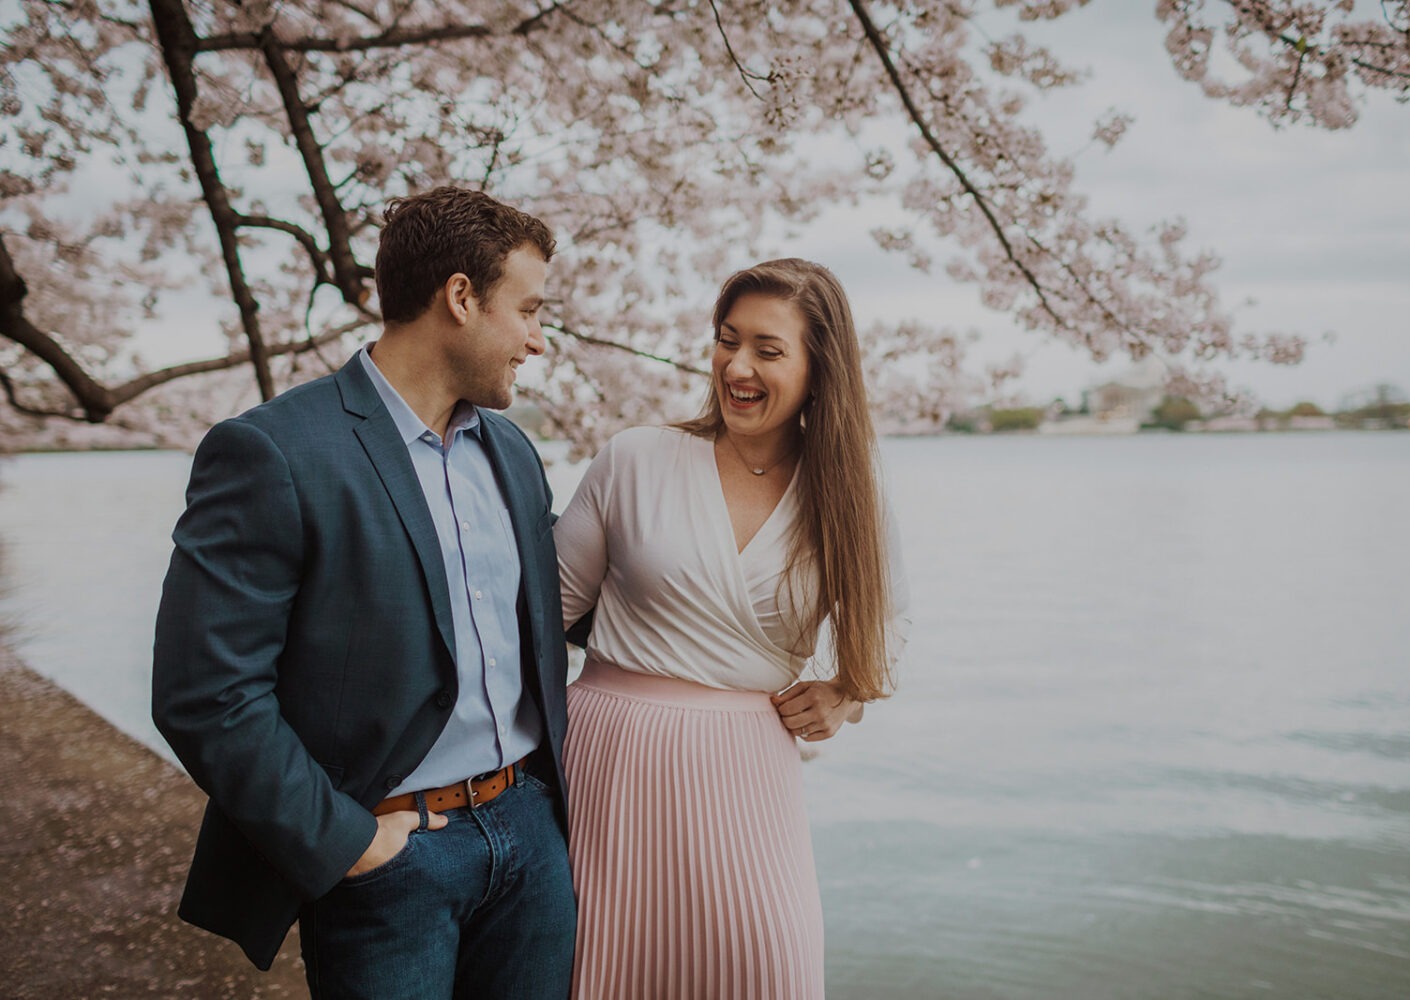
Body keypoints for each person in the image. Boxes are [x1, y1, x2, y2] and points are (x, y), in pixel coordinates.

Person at [152, 187, 576, 999]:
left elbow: (563, 611)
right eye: (528, 310)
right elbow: (204, 693)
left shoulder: (514, 453)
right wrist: (352, 844)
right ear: (460, 297)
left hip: (531, 835)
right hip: (392, 857)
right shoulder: (271, 452)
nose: (538, 339)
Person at [554, 257, 911, 999]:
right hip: (611, 759)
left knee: (770, 967)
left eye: (768, 350)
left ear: (821, 367)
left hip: (750, 768)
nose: (737, 366)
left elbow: (886, 626)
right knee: (608, 969)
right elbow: (539, 615)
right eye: (727, 340)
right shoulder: (635, 459)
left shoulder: (846, 492)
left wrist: (847, 692)